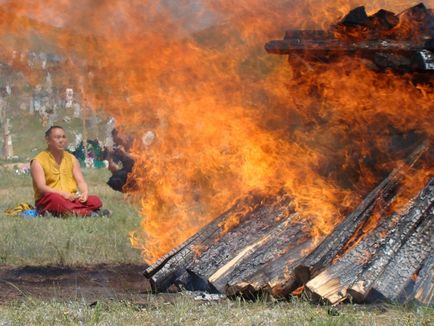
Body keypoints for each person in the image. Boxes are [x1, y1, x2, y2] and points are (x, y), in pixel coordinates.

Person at [30, 126, 108, 217]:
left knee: (95, 201)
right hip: (49, 199)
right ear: (48, 140)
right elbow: (42, 187)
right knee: (56, 200)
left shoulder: (71, 158)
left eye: (64, 137)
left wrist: (84, 193)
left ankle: (65, 211)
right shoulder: (38, 161)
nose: (62, 140)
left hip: (71, 198)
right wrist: (63, 194)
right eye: (57, 137)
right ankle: (89, 213)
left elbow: (80, 181)